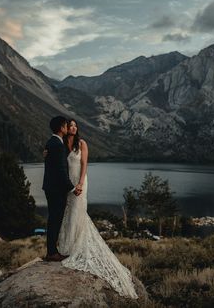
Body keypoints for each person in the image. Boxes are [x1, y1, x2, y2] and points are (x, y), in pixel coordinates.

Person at [46, 119, 138, 299]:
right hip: (66, 184)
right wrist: (46, 154)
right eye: (69, 125)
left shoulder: (82, 143)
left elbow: (84, 165)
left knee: (77, 212)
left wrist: (80, 183)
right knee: (66, 214)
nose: (72, 127)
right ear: (64, 129)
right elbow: (57, 161)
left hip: (78, 183)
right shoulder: (61, 143)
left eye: (74, 125)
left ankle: (75, 246)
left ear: (77, 128)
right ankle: (65, 247)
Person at [42, 116, 82, 262]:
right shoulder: (58, 145)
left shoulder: (51, 142)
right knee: (55, 220)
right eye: (66, 125)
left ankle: (52, 251)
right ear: (61, 128)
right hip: (56, 190)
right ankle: (52, 253)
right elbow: (60, 171)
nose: (67, 127)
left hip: (50, 188)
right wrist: (73, 188)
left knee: (54, 219)